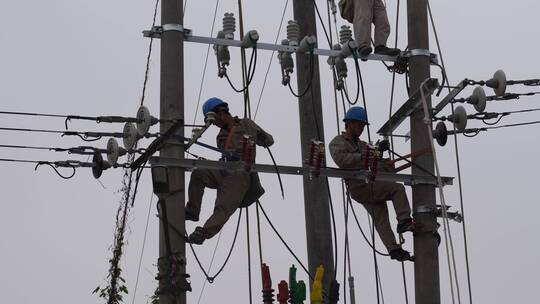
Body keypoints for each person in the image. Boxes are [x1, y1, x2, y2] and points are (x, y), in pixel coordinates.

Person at [329, 106, 414, 261]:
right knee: (397, 188)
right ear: (350, 123)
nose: (361, 129)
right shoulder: (337, 142)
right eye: (359, 125)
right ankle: (404, 220)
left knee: (381, 217)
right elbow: (343, 160)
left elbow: (376, 164)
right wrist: (368, 155)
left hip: (369, 186)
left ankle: (393, 249)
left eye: (363, 125)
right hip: (360, 187)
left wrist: (382, 157)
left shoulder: (362, 145)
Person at [185, 97, 274, 245]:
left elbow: (269, 140)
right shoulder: (221, 135)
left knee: (223, 206)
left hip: (240, 173)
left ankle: (204, 232)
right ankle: (192, 211)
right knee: (199, 172)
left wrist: (262, 137)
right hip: (224, 169)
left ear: (220, 112)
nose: (214, 125)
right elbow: (227, 152)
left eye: (214, 120)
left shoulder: (247, 123)